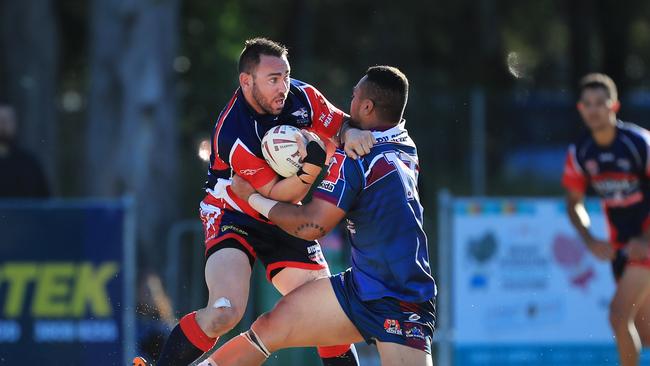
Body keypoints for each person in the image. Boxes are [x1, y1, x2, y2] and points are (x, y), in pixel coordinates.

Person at [134, 38, 374, 366]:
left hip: (281, 214)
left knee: (329, 315)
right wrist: (313, 165)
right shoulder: (234, 131)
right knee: (225, 311)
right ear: (246, 81)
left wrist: (352, 132)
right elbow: (281, 193)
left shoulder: (302, 96)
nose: (283, 87)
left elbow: (340, 124)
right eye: (273, 79)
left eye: (286, 76)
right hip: (234, 213)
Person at [200, 66, 437, 366]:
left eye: (353, 97)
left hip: (399, 300)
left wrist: (254, 198)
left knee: (272, 329)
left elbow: (312, 225)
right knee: (269, 327)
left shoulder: (357, 157)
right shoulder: (404, 142)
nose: (348, 104)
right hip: (359, 289)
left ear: (366, 106)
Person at [563, 73, 650, 366]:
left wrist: (646, 238)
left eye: (601, 102)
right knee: (644, 330)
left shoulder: (639, 143)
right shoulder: (581, 152)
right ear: (580, 109)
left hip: (646, 242)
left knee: (617, 315)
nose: (594, 109)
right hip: (622, 246)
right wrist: (589, 239)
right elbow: (574, 204)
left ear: (614, 106)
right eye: (588, 103)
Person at [0, 103, 50, 198]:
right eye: (0, 120)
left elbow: (45, 203)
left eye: (7, 120)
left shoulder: (29, 163)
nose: (3, 125)